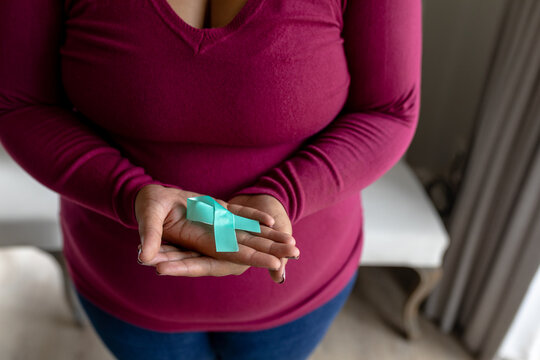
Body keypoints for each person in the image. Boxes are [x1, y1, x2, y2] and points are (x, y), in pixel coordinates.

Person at [0, 0, 422, 358]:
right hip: (127, 289)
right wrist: (129, 193)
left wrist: (286, 194)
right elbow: (20, 105)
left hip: (296, 289)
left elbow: (389, 110)